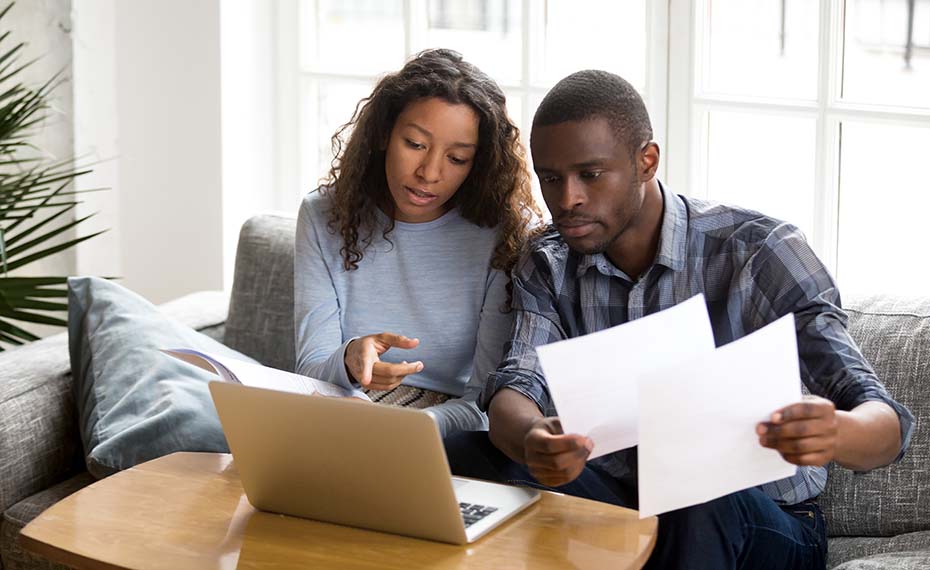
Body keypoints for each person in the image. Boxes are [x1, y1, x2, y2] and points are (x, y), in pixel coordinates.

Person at [444, 70, 914, 569]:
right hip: (624, 506)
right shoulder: (549, 261)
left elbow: (885, 424)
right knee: (463, 453)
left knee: (694, 485)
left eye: (591, 174)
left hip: (761, 521)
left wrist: (837, 432)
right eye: (551, 178)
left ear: (646, 161)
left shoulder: (758, 252)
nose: (566, 200)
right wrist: (533, 439)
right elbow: (518, 385)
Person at [294, 49, 538, 437]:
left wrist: (412, 429)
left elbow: (487, 402)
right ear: (384, 135)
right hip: (343, 411)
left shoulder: (503, 233)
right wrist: (350, 358)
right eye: (415, 144)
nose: (429, 173)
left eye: (457, 158)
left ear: (479, 164)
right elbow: (310, 373)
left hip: (451, 430)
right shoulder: (323, 215)